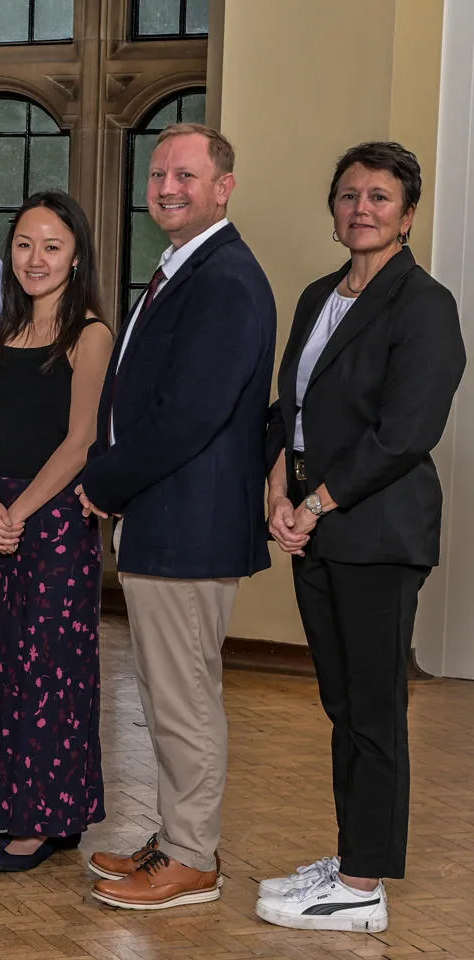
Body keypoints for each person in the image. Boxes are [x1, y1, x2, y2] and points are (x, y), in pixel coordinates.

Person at [256, 142, 464, 933]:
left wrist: (317, 503)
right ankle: (350, 860)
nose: (362, 208)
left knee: (374, 711)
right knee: (343, 705)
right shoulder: (318, 296)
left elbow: (407, 431)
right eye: (349, 194)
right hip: (320, 526)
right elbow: (291, 407)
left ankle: (365, 886)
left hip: (376, 532)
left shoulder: (424, 305)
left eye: (381, 197)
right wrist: (279, 484)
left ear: (407, 216)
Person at [75, 122, 275, 910]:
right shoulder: (184, 267)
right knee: (169, 694)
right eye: (158, 174)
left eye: (185, 175)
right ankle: (178, 835)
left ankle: (193, 857)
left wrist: (107, 481)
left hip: (186, 522)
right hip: (169, 518)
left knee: (183, 698)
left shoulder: (224, 277)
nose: (166, 187)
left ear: (223, 186)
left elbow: (189, 413)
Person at [0, 191, 112, 871]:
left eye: (51, 245)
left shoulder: (89, 335)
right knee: (13, 666)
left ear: (76, 255)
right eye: (24, 243)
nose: (35, 258)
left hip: (55, 522)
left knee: (53, 669)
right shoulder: (3, 334)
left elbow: (82, 441)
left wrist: (18, 511)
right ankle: (27, 809)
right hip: (5, 518)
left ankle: (44, 818)